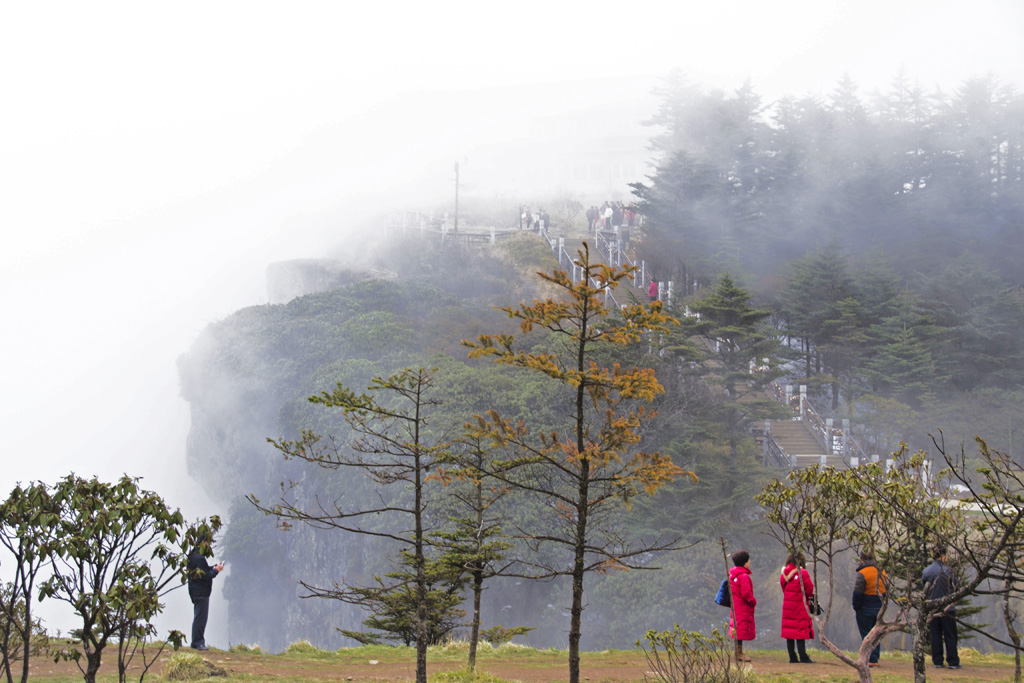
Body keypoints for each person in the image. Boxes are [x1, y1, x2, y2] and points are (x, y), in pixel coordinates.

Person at [923, 545, 960, 669]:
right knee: (950, 635)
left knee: (935, 635)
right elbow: (956, 587)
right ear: (943, 556)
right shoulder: (949, 571)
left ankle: (937, 661)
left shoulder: (927, 571)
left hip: (933, 608)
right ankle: (953, 661)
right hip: (948, 608)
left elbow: (925, 588)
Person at [187, 535, 225, 651]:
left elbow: (203, 569)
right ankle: (197, 642)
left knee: (199, 616)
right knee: (201, 618)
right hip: (201, 592)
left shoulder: (193, 555)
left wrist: (213, 567)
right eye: (208, 543)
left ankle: (197, 641)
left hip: (195, 590)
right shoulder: (199, 558)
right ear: (203, 543)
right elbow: (206, 576)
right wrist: (216, 571)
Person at [852, 548, 886, 667]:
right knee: (876, 634)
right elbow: (885, 592)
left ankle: (868, 658)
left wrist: (856, 607)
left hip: (865, 608)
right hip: (878, 608)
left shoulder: (862, 573)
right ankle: (875, 658)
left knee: (866, 635)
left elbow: (857, 594)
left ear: (861, 558)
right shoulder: (882, 572)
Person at [780, 551, 815, 663]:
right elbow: (809, 588)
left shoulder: (783, 574)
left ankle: (792, 657)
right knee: (800, 630)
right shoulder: (802, 573)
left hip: (788, 606)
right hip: (800, 606)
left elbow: (783, 589)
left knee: (789, 631)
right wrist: (809, 599)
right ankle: (803, 656)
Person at [728, 549, 757, 662]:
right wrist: (753, 601)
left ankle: (738, 652)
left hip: (735, 606)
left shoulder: (733, 575)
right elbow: (746, 593)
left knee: (737, 628)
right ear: (745, 562)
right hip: (743, 607)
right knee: (739, 630)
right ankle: (739, 654)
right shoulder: (743, 576)